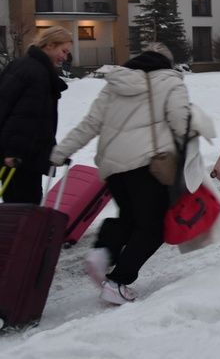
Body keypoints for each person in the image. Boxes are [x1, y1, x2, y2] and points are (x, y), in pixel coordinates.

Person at [50, 43, 191, 305]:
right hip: (149, 164)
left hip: (113, 166)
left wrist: (60, 152)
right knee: (155, 226)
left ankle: (103, 252)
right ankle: (118, 281)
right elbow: (181, 123)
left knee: (130, 215)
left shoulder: (116, 82)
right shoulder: (171, 82)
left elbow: (90, 123)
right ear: (166, 63)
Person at [0, 26, 72, 204]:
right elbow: (24, 117)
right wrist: (13, 152)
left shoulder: (21, 64)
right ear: (49, 45)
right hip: (22, 158)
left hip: (17, 153)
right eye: (63, 51)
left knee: (14, 208)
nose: (64, 57)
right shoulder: (37, 74)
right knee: (24, 210)